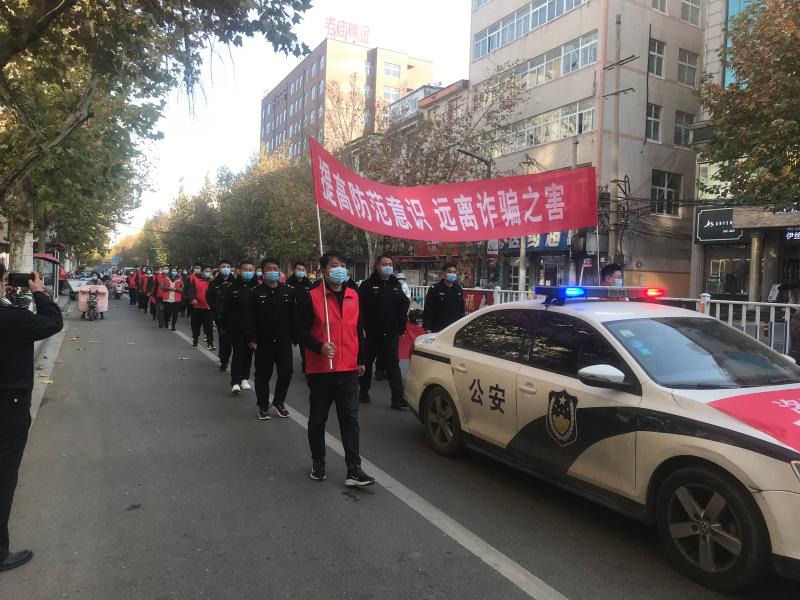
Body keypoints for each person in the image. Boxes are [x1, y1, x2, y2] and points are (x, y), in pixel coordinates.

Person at [0, 267, 63, 572]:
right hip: (8, 407)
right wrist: (39, 291)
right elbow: (53, 322)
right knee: (3, 476)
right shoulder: (13, 319)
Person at [295, 250, 374, 486]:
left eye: (342, 265)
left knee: (350, 420)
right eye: (333, 265)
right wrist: (319, 347)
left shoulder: (353, 295)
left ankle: (354, 469)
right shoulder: (311, 297)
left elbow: (358, 329)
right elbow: (300, 331)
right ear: (323, 270)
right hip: (322, 370)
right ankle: (318, 462)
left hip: (348, 368)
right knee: (318, 419)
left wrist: (361, 359)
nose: (338, 269)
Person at [357, 254, 409, 409]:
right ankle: (364, 391)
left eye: (390, 264)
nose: (388, 267)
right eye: (385, 264)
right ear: (378, 266)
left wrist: (401, 328)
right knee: (367, 364)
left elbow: (403, 305)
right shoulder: (367, 285)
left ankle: (397, 398)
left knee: (393, 365)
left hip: (391, 333)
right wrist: (361, 328)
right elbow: (359, 308)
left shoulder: (396, 284)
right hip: (371, 333)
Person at [247, 258, 294, 420]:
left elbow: (294, 316)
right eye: (269, 269)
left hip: (284, 341)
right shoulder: (254, 292)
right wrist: (251, 338)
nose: (273, 272)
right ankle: (263, 405)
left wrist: (295, 336)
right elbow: (249, 318)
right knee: (262, 375)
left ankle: (279, 402)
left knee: (286, 372)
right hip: (263, 341)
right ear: (262, 271)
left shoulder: (288, 291)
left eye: (275, 269)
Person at [222, 259, 258, 395]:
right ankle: (235, 381)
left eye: (250, 270)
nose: (247, 272)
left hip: (252, 328)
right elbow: (226, 308)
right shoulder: (232, 287)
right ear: (239, 271)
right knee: (237, 354)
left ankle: (244, 378)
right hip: (236, 327)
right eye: (245, 270)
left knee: (248, 355)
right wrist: (223, 325)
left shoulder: (257, 287)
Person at [207, 260, 236, 372]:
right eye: (223, 266)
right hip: (220, 316)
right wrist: (216, 308)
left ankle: (237, 364)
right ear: (219, 268)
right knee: (224, 340)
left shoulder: (236, 282)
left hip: (234, 315)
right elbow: (209, 297)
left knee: (236, 341)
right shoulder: (214, 283)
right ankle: (224, 361)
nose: (226, 268)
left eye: (228, 266)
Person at [284, 261, 311, 373]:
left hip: (304, 318)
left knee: (304, 344)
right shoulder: (288, 283)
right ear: (294, 270)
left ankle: (306, 365)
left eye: (303, 270)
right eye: (298, 269)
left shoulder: (308, 283)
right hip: (290, 318)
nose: (300, 271)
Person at [423, 263, 465, 333]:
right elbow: (428, 309)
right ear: (443, 273)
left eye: (454, 272)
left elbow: (461, 310)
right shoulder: (435, 289)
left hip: (454, 328)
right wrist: (427, 327)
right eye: (449, 272)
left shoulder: (458, 289)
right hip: (438, 328)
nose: (452, 274)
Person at [185, 265, 215, 350]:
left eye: (209, 271)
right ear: (201, 272)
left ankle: (210, 343)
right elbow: (191, 291)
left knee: (209, 327)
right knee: (195, 326)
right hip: (197, 307)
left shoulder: (212, 282)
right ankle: (195, 340)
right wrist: (192, 298)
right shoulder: (195, 280)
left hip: (208, 308)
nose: (208, 273)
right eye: (206, 271)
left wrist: (213, 281)